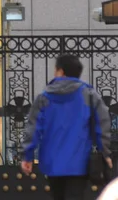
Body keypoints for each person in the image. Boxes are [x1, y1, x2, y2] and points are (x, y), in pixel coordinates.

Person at [21, 54, 112, 200]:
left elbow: (33, 128)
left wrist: (27, 156)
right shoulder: (88, 94)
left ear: (61, 71)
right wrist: (105, 152)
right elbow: (102, 123)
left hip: (52, 162)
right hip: (79, 161)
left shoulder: (44, 97)